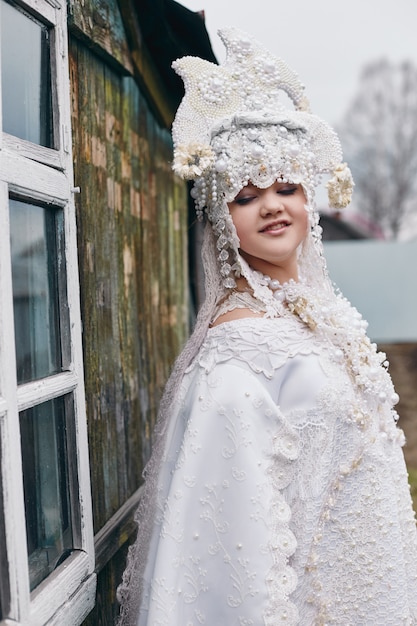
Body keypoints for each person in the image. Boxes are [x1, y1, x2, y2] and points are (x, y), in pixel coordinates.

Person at [117, 28, 417, 625]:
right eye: (247, 195)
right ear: (222, 219)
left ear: (310, 198)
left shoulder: (314, 314)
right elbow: (229, 543)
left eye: (286, 188)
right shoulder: (237, 352)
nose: (273, 206)